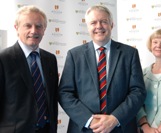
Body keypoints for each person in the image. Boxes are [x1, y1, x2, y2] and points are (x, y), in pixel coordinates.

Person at [58, 5, 146, 133]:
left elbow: (138, 91)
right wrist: (89, 120)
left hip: (120, 127)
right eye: (93, 22)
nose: (99, 26)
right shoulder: (74, 55)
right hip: (84, 128)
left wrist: (115, 119)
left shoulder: (130, 53)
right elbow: (65, 93)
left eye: (104, 21)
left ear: (112, 24)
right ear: (88, 27)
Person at [0, 5, 58, 133]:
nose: (34, 31)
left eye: (38, 26)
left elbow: (53, 100)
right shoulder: (3, 59)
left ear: (44, 30)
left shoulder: (50, 59)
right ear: (16, 28)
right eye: (28, 26)